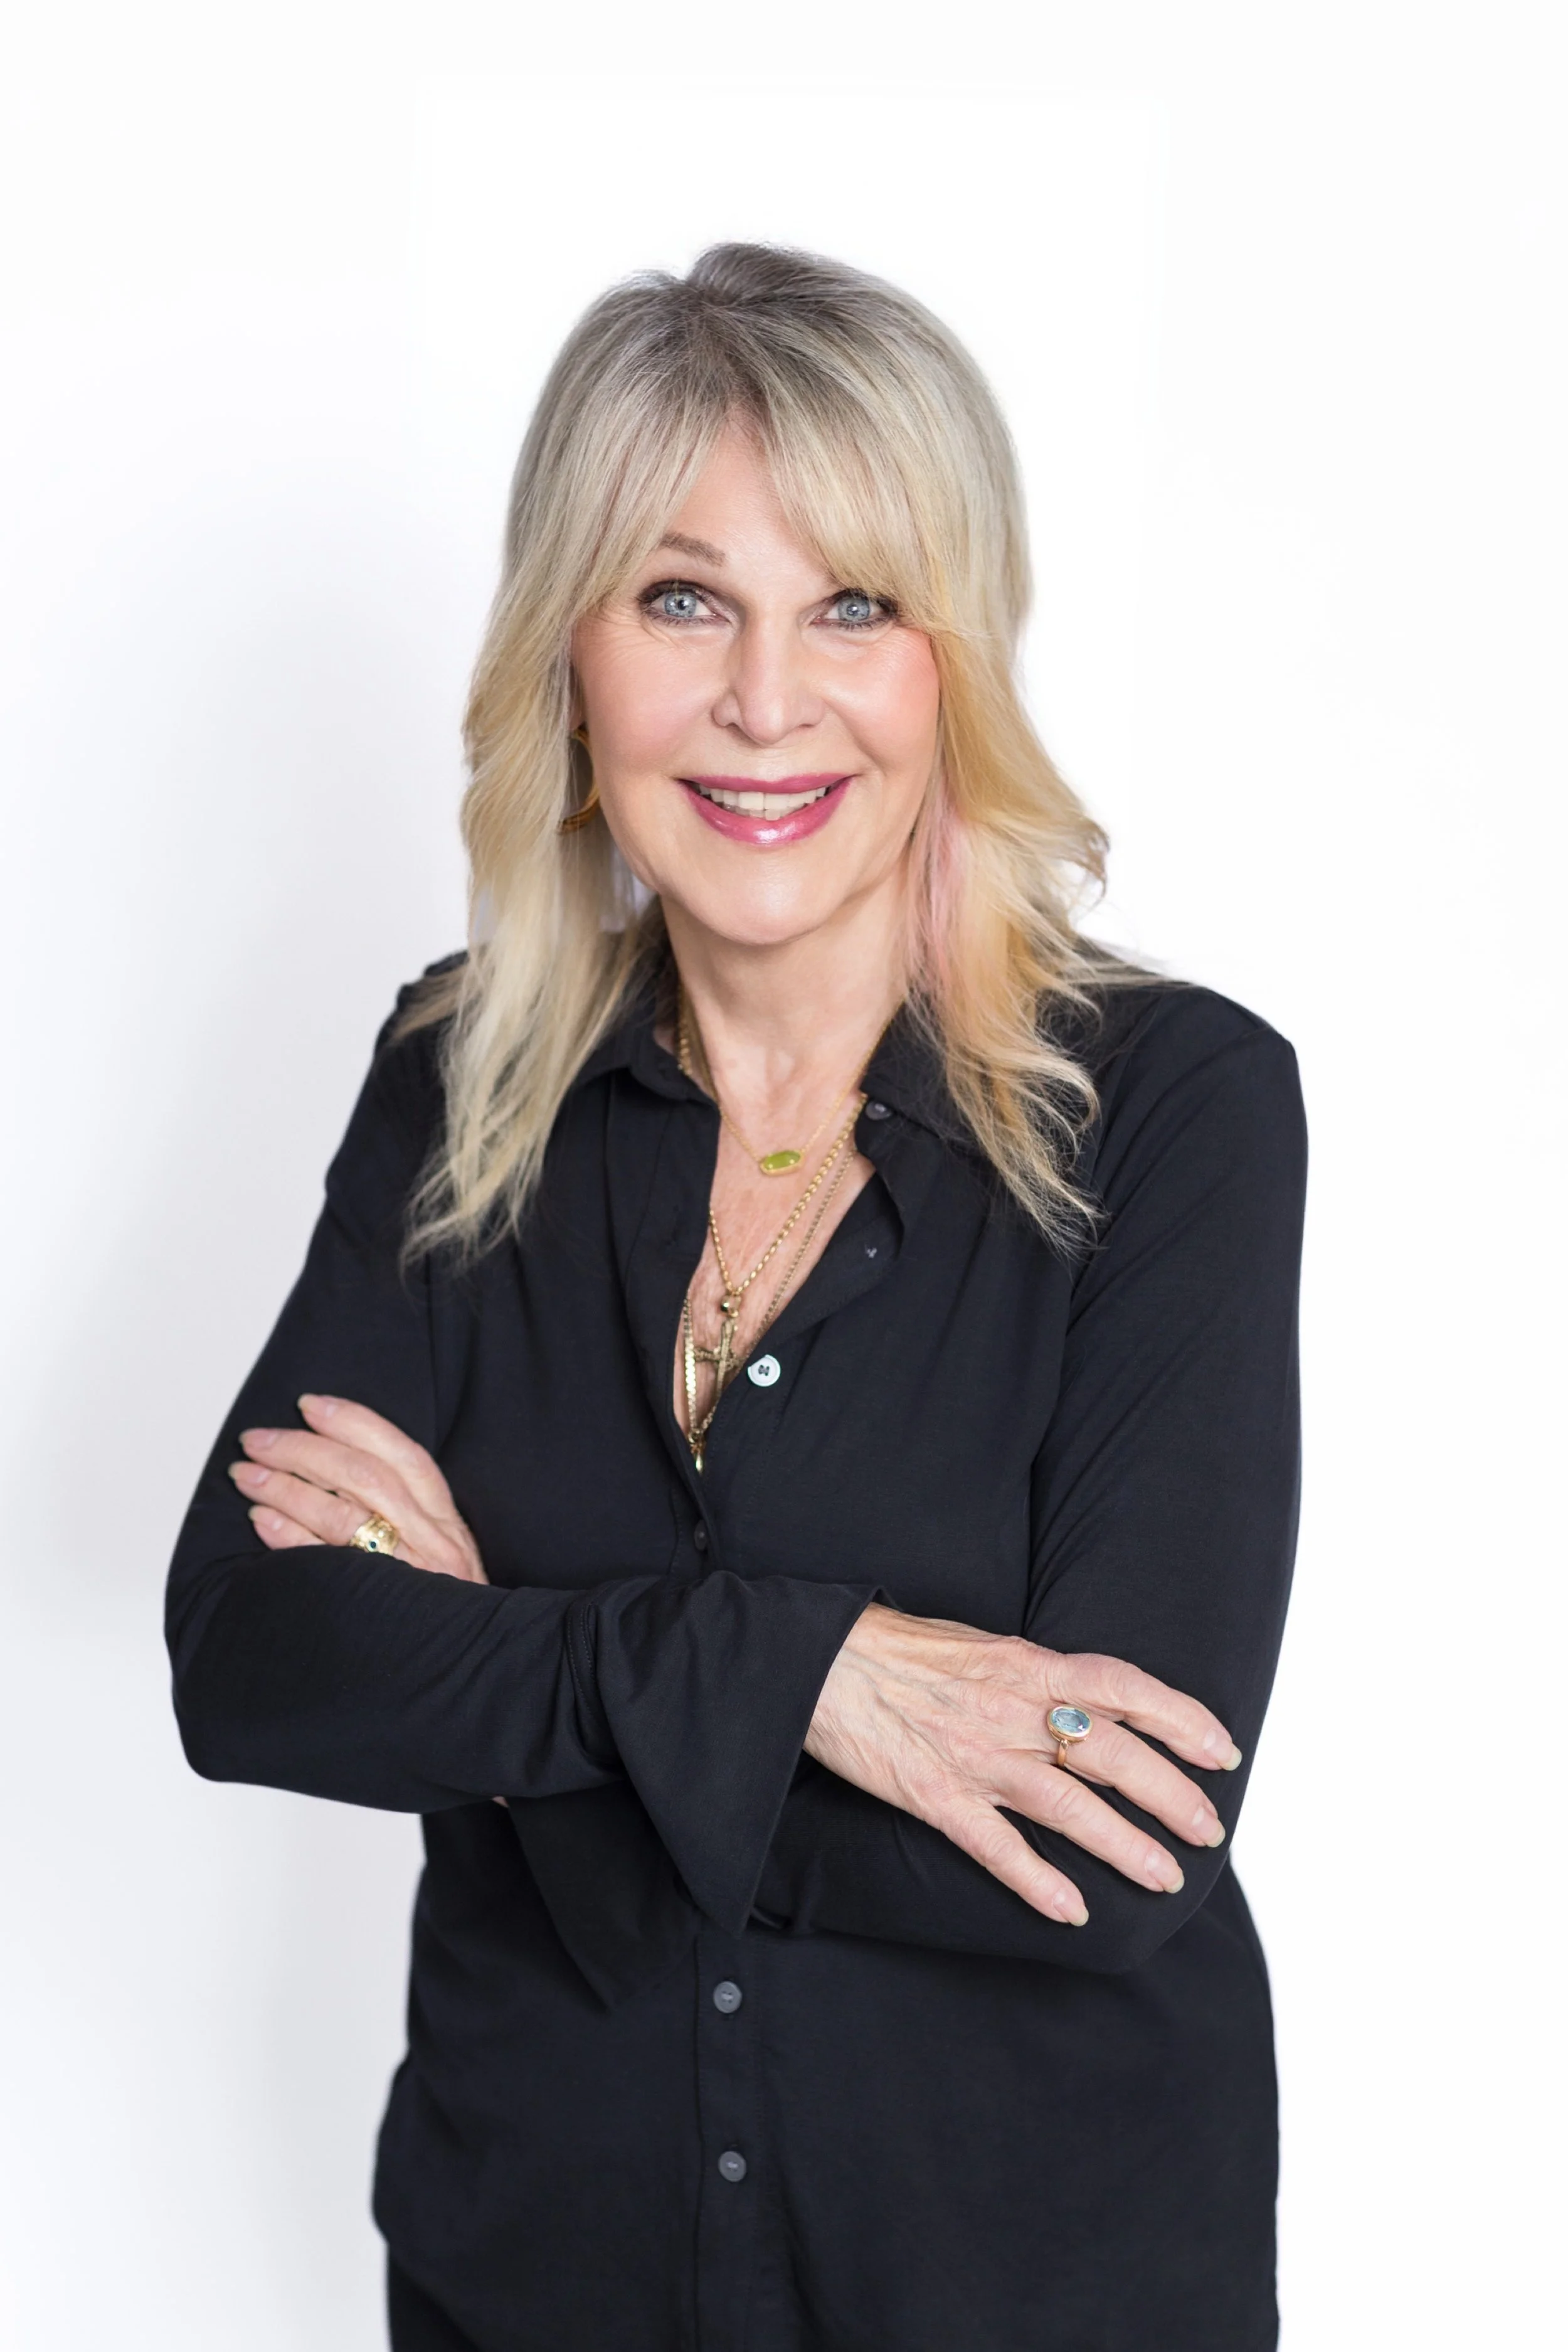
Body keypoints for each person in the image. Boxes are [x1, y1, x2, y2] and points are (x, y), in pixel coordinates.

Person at [166, 243, 1306, 2352]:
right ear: (570, 652)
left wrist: (515, 1682)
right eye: (683, 599)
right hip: (534, 2287)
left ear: (949, 656)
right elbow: (248, 1661)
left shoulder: (1174, 1109)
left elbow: (1111, 1845)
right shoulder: (456, 1084)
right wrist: (825, 1680)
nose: (765, 701)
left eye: (852, 605)